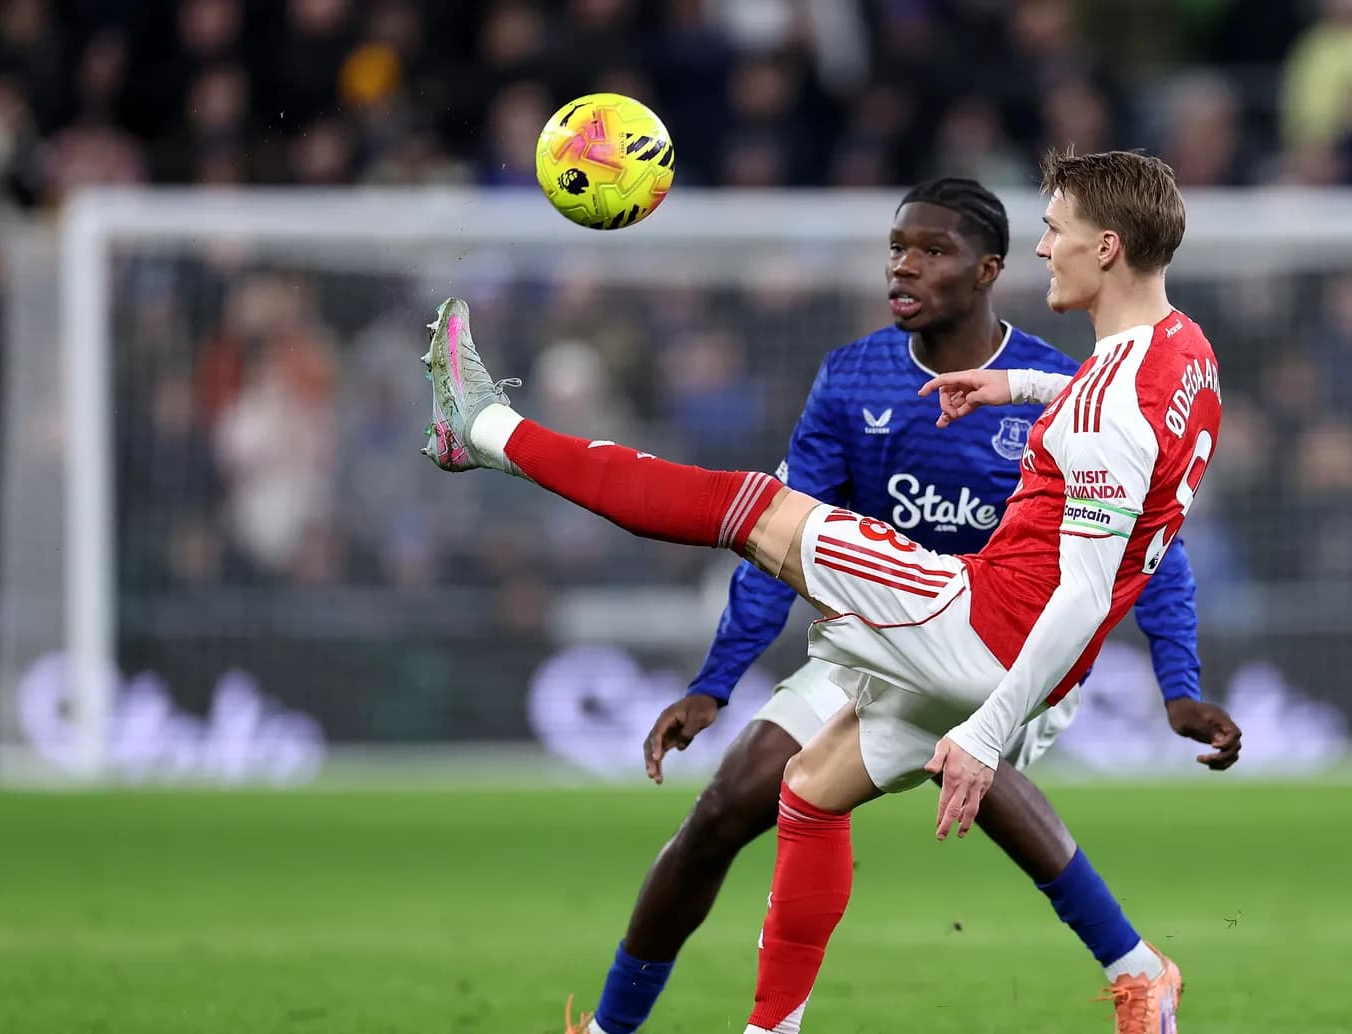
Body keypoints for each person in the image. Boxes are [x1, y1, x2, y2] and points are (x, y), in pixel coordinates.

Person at [422, 149, 1222, 1034]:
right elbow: (1119, 431)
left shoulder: (1101, 408)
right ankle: (1131, 975)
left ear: (1106, 247)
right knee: (809, 787)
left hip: (974, 627)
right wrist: (1018, 384)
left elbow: (1080, 588)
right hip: (1008, 648)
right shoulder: (1183, 354)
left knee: (750, 509)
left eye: (1056, 230)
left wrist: (985, 736)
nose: (1044, 250)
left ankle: (485, 429)